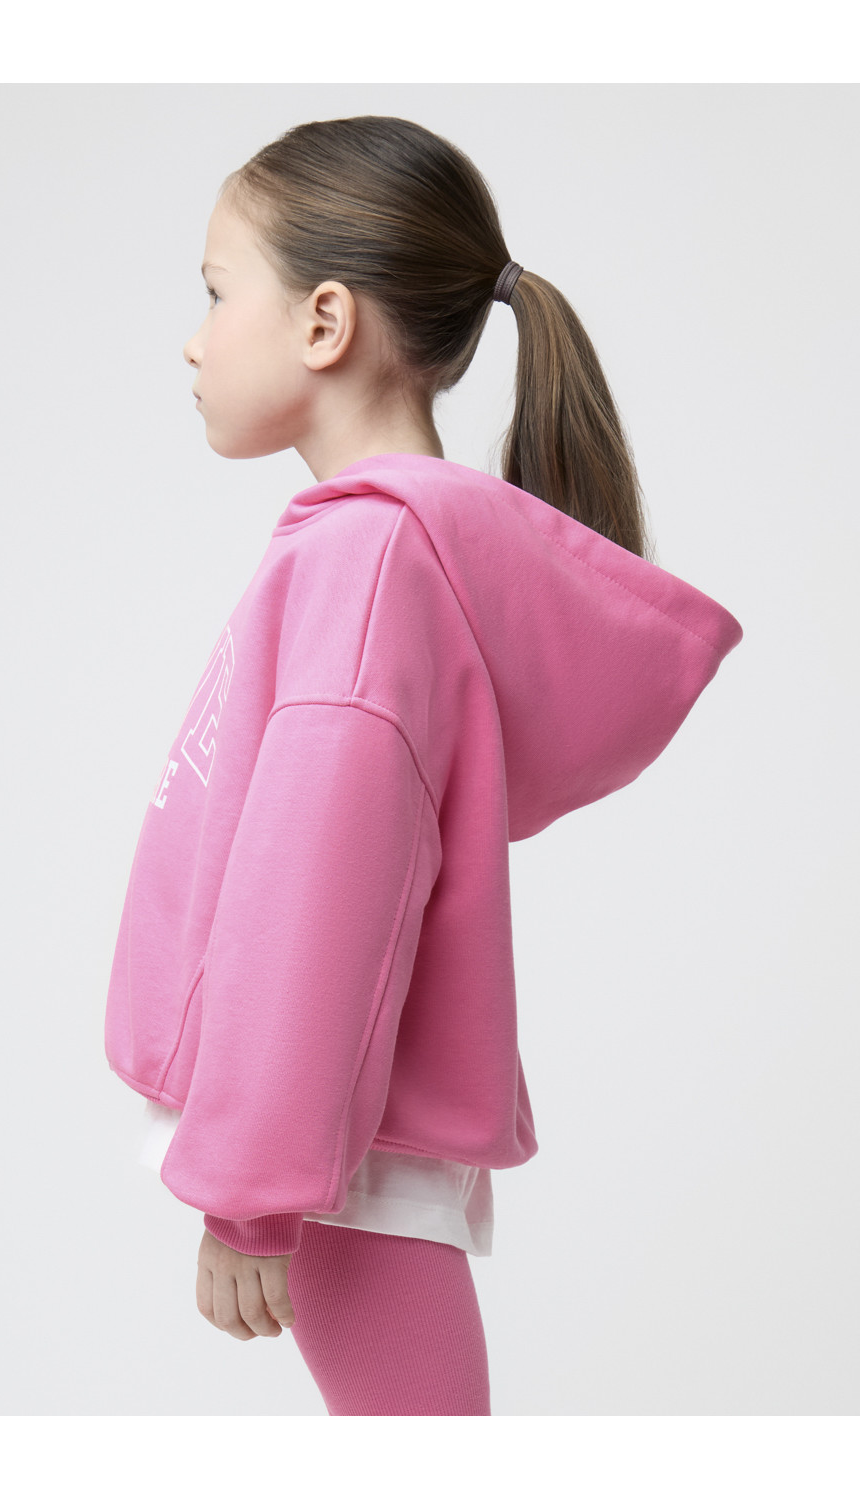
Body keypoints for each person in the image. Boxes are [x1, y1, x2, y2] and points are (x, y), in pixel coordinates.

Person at [104, 114, 743, 1417]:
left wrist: (251, 1191)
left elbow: (316, 896)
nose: (194, 338)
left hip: (332, 1145)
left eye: (217, 292)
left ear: (324, 321)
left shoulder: (369, 563)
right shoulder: (386, 551)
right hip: (341, 1128)